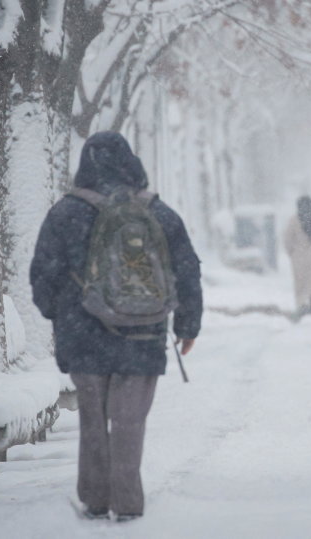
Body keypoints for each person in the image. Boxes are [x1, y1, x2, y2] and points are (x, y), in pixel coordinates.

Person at [29, 131, 202, 522]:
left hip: (83, 334)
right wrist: (187, 325)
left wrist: (59, 315)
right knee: (129, 421)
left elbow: (43, 273)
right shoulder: (157, 212)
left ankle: (95, 499)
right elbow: (187, 269)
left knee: (92, 419)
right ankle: (127, 502)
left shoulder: (65, 214)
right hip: (143, 333)